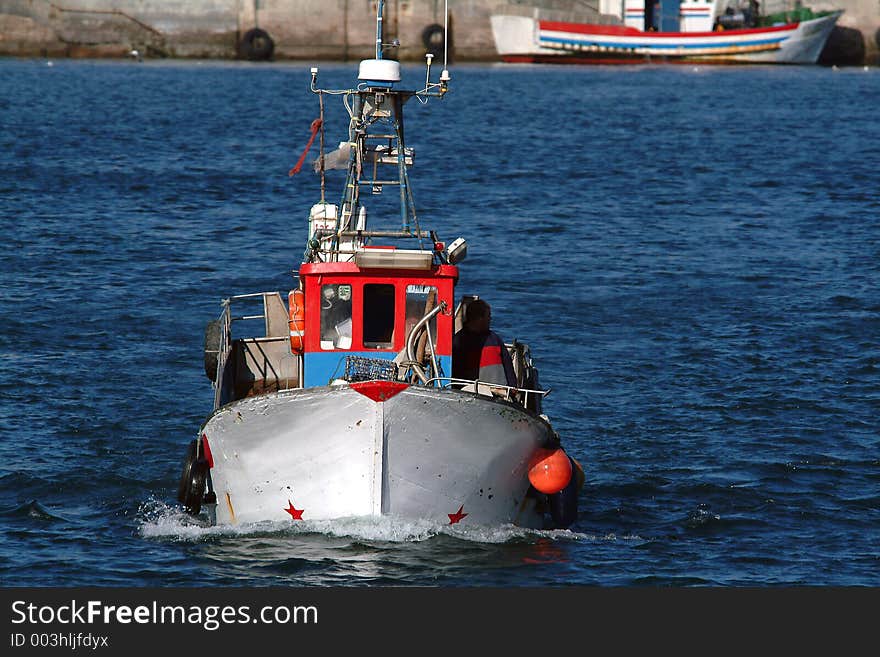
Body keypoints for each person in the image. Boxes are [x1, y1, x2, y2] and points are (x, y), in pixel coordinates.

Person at [452, 299, 517, 388]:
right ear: (479, 318)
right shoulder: (459, 341)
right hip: (469, 391)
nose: (490, 319)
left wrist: (512, 387)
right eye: (488, 316)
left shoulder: (495, 339)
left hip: (499, 394)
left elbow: (508, 367)